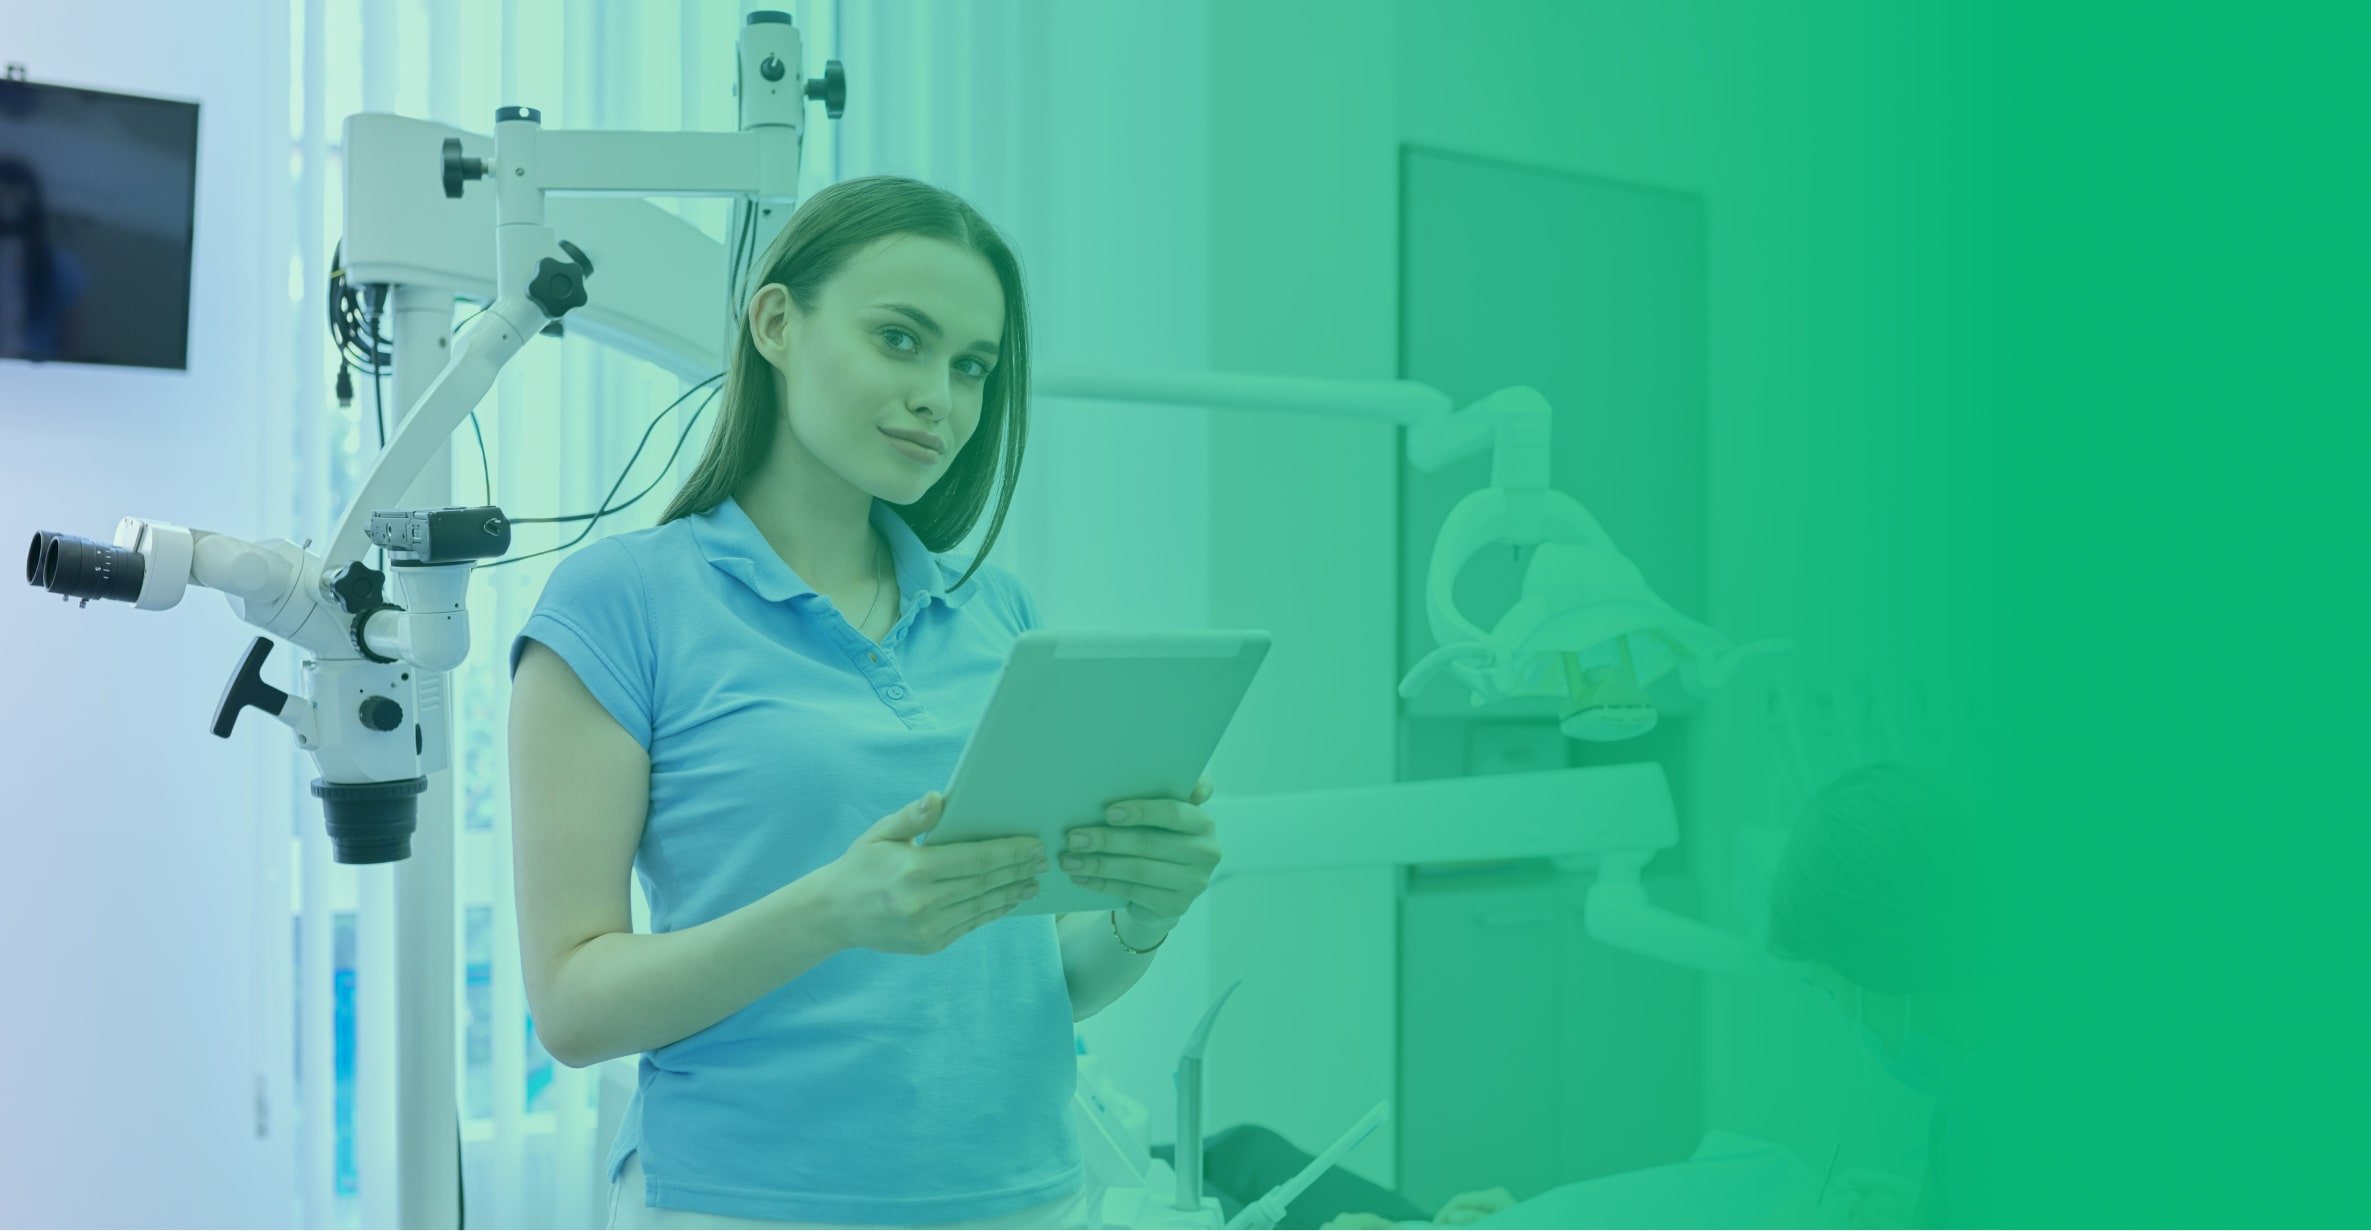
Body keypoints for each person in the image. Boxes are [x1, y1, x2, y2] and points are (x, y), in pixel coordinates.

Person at [508, 175, 1225, 1230]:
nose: (941, 394)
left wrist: (1144, 914)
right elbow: (572, 1006)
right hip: (747, 1203)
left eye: (971, 365)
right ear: (776, 322)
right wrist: (831, 911)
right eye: (901, 339)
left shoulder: (998, 613)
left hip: (1026, 1197)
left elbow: (1033, 981)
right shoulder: (620, 603)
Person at [1766, 762, 1995, 1228]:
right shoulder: (2050, 1032)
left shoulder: (1988, 1101)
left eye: (1832, 992)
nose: (1851, 1020)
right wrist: (1930, 1211)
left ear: (1876, 959)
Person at [0, 157, 86, 362]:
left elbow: (71, 347)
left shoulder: (62, 267)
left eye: (16, 196)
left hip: (41, 385)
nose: (8, 205)